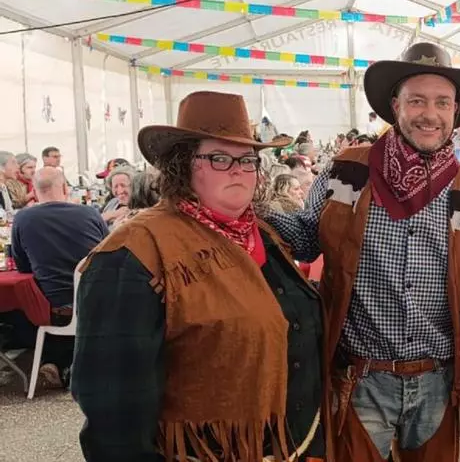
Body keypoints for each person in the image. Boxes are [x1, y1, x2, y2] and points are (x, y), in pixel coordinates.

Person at [268, 42, 460, 462]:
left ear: (456, 111)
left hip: (438, 380)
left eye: (442, 102)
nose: (429, 114)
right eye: (417, 100)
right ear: (395, 106)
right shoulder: (350, 171)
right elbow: (307, 237)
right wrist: (250, 217)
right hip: (359, 378)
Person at [70, 91, 324, 461]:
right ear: (183, 163)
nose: (238, 170)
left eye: (247, 160)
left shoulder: (264, 234)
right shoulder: (136, 250)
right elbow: (111, 401)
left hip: (289, 444)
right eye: (219, 158)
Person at [10, 166, 108, 388]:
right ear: (65, 188)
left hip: (53, 309)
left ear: (35, 192)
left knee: (25, 310)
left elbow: (22, 266)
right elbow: (109, 253)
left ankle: (53, 362)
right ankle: (72, 365)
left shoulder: (23, 218)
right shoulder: (90, 214)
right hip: (97, 302)